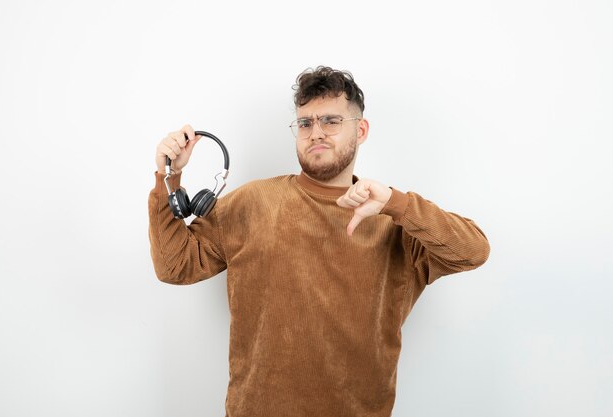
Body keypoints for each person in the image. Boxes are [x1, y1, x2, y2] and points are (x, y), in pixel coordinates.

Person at [148, 66, 490, 417]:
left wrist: (395, 203)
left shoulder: (396, 222)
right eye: (306, 124)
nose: (316, 133)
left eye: (331, 121)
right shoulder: (251, 203)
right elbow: (175, 265)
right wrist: (169, 176)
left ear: (361, 130)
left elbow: (473, 251)